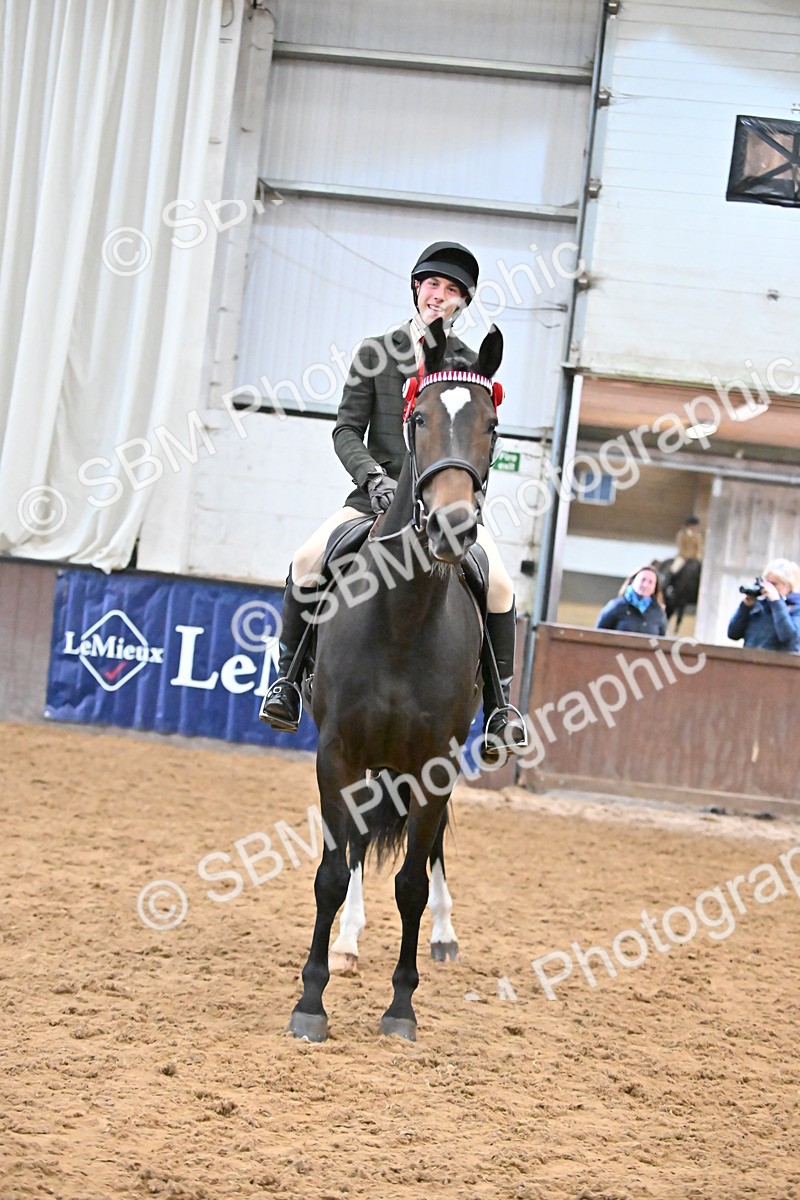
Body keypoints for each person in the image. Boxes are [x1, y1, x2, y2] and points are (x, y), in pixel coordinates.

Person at [261, 240, 528, 760]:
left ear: (461, 304)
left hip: (442, 507)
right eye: (433, 285)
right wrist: (373, 479)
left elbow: (477, 441)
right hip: (370, 500)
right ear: (417, 289)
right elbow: (345, 431)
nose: (440, 296)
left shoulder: (468, 366)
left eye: (452, 292)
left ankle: (500, 708)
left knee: (498, 583)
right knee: (307, 560)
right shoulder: (374, 353)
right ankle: (288, 684)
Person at [727, 558, 800, 652]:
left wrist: (776, 603)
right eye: (766, 584)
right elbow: (733, 634)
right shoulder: (758, 606)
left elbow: (789, 638)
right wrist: (745, 607)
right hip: (750, 662)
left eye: (774, 584)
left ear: (788, 586)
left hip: (780, 664)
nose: (768, 588)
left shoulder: (795, 608)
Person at [596, 565, 668, 636]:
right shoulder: (616, 606)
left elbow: (661, 641)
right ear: (633, 581)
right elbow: (598, 634)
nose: (645, 585)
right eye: (643, 580)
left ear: (655, 587)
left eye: (650, 582)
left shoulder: (658, 613)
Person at [667, 515, 704, 580]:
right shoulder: (681, 534)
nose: (695, 527)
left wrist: (697, 556)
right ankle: (668, 582)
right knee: (674, 568)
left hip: (694, 557)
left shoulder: (698, 536)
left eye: (696, 526)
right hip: (683, 556)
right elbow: (680, 547)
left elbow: (699, 548)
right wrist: (686, 556)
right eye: (694, 525)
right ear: (689, 525)